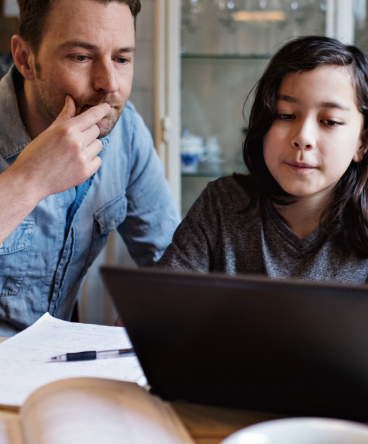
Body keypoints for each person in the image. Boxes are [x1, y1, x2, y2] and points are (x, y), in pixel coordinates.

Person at [0, 0, 179, 335]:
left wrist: (151, 306)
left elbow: (171, 261)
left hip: (56, 367)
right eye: (81, 57)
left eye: (122, 59)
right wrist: (31, 178)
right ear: (25, 58)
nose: (109, 84)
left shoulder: (125, 132)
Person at [158, 35, 368, 284]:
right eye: (286, 115)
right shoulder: (222, 204)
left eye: (330, 121)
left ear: (361, 143)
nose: (303, 138)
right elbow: (153, 310)